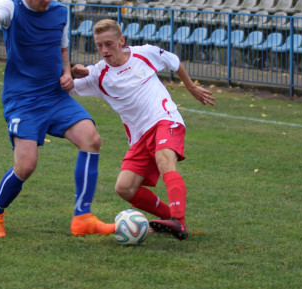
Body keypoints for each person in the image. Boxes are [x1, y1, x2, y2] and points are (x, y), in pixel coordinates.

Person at [0, 0, 114, 238]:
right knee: (26, 165)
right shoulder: (11, 7)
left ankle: (83, 217)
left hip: (55, 96)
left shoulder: (60, 12)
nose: (47, 0)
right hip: (22, 100)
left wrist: (68, 74)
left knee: (91, 139)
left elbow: (62, 48)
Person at [70, 19, 215, 240]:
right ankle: (169, 218)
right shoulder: (96, 75)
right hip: (139, 137)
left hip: (165, 120)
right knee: (124, 188)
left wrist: (191, 86)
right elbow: (65, 86)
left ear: (121, 41)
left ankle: (178, 220)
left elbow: (172, 61)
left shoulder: (144, 54)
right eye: (99, 45)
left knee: (164, 159)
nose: (104, 50)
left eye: (109, 44)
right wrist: (72, 72)